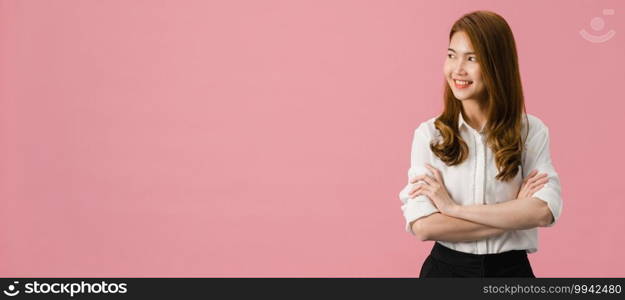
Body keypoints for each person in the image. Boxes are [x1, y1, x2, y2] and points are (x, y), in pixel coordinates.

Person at [398, 10, 563, 277]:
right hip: (445, 272)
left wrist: (452, 209)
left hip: (511, 272)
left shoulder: (530, 131)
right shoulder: (430, 135)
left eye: (471, 58)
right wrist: (513, 217)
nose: (457, 69)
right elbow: (424, 226)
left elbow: (542, 211)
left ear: (498, 64)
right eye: (451, 55)